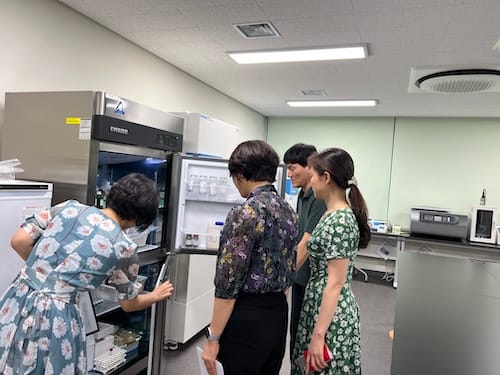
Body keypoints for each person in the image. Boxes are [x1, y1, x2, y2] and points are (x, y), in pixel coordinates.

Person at [0, 173, 174, 374]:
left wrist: (43, 273)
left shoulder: (69, 207)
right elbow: (129, 303)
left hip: (18, 295)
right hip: (57, 312)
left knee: (8, 356)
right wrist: (155, 295)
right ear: (138, 217)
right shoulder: (124, 247)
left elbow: (18, 241)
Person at [202, 140, 299, 375]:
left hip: (246, 317)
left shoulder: (246, 212)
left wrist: (213, 337)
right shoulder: (288, 211)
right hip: (277, 313)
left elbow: (228, 282)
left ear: (240, 174)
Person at [291, 148, 371, 375]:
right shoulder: (330, 214)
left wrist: (318, 335)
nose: (311, 180)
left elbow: (335, 282)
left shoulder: (341, 221)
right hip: (318, 303)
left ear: (326, 178)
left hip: (331, 314)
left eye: (314, 175)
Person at [283, 143, 327, 359]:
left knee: (306, 340)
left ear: (310, 166)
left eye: (292, 168)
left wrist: (284, 280)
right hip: (300, 279)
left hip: (312, 281)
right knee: (296, 336)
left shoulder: (319, 200)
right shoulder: (302, 195)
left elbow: (306, 244)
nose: (289, 174)